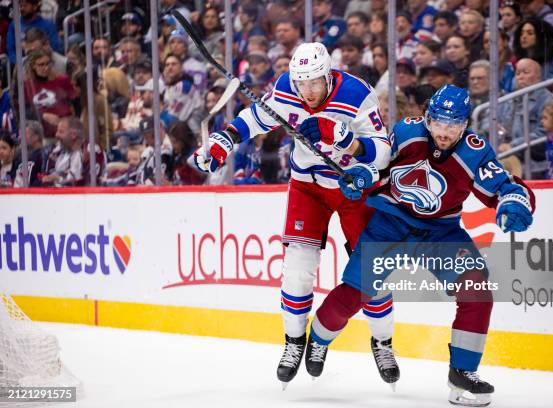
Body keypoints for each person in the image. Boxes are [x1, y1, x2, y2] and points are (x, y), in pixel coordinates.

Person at [304, 85, 535, 407]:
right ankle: (319, 338)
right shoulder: (407, 132)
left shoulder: (475, 151)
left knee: (476, 289)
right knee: (357, 291)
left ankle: (463, 373)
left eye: (453, 125)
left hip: (440, 233)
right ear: (427, 118)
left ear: (465, 124)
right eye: (439, 123)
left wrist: (515, 203)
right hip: (391, 224)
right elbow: (378, 166)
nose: (444, 132)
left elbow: (504, 187)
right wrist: (359, 175)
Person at [192, 42, 399, 387]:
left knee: (372, 272)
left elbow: (383, 154)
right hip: (308, 186)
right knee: (297, 271)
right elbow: (255, 118)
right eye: (301, 82)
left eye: (314, 82)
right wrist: (223, 142)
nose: (307, 91)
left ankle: (383, 342)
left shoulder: (356, 93)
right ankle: (293, 342)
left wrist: (347, 143)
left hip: (352, 188)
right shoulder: (287, 88)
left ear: (329, 75)